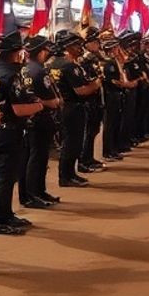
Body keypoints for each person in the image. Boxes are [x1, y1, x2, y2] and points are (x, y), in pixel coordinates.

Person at [0, 29, 43, 234]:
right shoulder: (12, 75)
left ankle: (4, 213)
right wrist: (38, 106)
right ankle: (0, 220)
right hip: (9, 130)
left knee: (1, 175)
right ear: (16, 52)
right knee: (6, 176)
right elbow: (18, 109)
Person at [47, 29, 95, 188]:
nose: (80, 47)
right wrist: (96, 84)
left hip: (61, 107)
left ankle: (69, 174)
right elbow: (81, 90)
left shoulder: (51, 63)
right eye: (76, 45)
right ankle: (66, 176)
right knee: (72, 143)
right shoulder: (68, 66)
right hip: (72, 107)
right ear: (67, 46)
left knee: (69, 142)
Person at [21, 34, 61, 206]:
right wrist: (55, 101)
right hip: (41, 119)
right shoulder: (40, 71)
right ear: (41, 51)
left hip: (28, 120)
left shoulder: (23, 70)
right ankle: (34, 193)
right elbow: (52, 101)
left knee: (32, 157)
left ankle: (37, 192)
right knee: (38, 158)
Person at [78, 27, 105, 172]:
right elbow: (87, 81)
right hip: (89, 99)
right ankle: (84, 160)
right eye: (94, 42)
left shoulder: (94, 58)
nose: (97, 45)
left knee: (93, 130)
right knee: (87, 132)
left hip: (96, 98)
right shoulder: (84, 60)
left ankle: (89, 158)